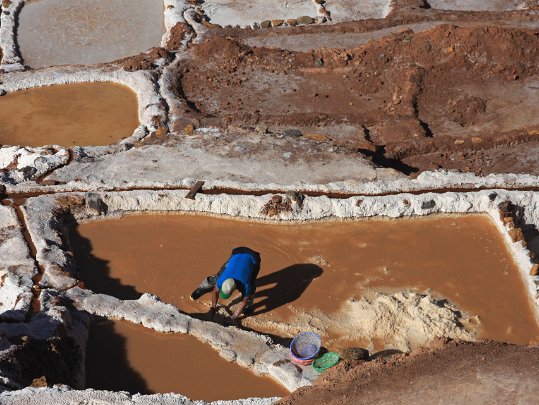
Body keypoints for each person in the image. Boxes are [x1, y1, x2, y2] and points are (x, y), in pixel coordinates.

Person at [190, 247, 261, 320]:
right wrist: (213, 307)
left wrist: (234, 316)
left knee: (251, 288)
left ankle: (250, 304)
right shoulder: (222, 279)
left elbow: (243, 303)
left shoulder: (246, 285)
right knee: (217, 276)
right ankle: (203, 286)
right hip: (238, 252)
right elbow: (215, 292)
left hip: (253, 258)